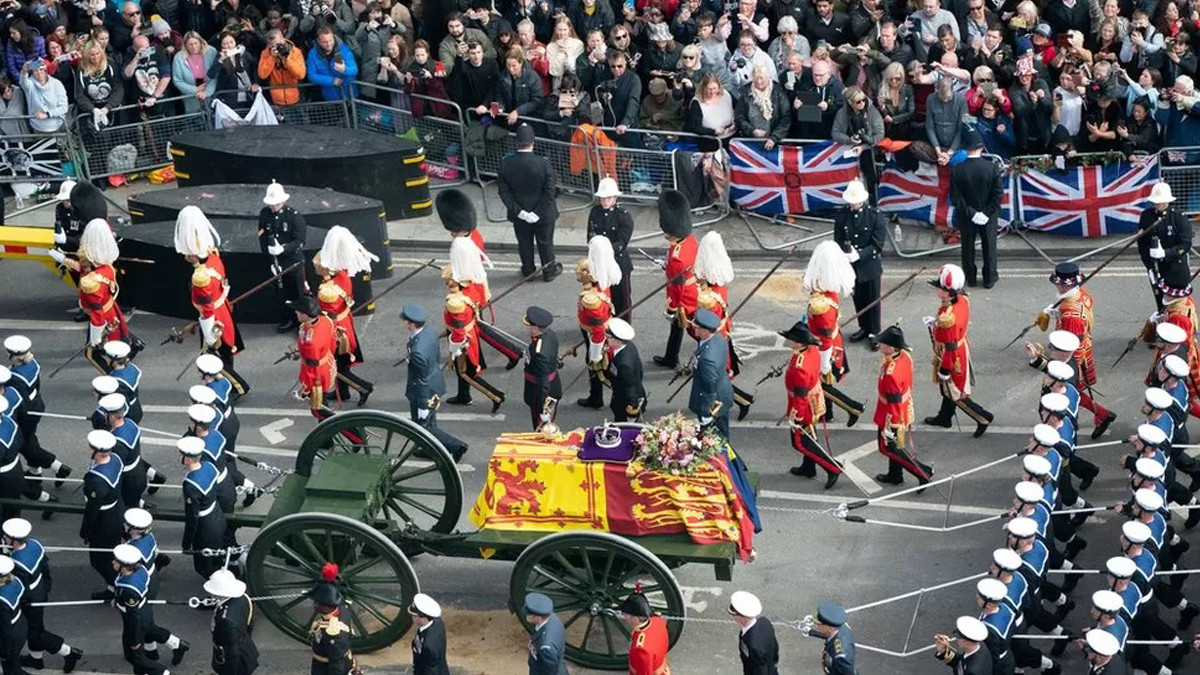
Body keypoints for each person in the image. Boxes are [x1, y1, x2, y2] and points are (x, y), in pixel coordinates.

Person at [175, 206, 249, 396]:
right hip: (222, 309)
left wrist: (208, 333)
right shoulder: (213, 257)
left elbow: (207, 308)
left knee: (213, 355)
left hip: (214, 317)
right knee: (224, 353)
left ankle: (237, 387)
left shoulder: (200, 276)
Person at [49, 218, 138, 373]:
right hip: (110, 311)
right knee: (116, 340)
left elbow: (97, 313)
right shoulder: (106, 267)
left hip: (102, 318)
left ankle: (113, 377)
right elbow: (83, 269)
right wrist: (64, 260)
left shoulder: (91, 283)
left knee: (94, 353)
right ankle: (131, 345)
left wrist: (96, 335)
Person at [1, 518, 82, 672]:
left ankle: (69, 652)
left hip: (29, 599)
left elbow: (16, 586)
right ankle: (36, 659)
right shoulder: (34, 544)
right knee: (35, 631)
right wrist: (46, 587)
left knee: (36, 633)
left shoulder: (17, 563)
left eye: (6, 537)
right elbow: (45, 568)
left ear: (12, 541)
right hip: (40, 591)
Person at [923, 264, 994, 437]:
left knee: (954, 392)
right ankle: (944, 417)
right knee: (946, 390)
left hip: (952, 357)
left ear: (947, 293)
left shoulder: (948, 316)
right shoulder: (960, 300)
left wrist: (945, 369)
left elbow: (950, 346)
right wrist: (936, 323)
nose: (937, 291)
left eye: (939, 288)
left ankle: (982, 417)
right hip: (960, 348)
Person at [314, 227, 378, 407]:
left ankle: (364, 388)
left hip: (337, 329)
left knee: (338, 366)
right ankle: (343, 391)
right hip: (344, 323)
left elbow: (329, 314)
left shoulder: (328, 288)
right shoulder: (340, 274)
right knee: (339, 364)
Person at [442, 240, 506, 413]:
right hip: (469, 333)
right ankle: (464, 396)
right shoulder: (469, 290)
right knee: (462, 371)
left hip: (462, 341)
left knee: (466, 373)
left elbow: (458, 328)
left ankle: (496, 395)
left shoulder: (455, 302)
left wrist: (452, 349)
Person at [804, 241, 864, 427]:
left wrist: (823, 364)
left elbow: (826, 338)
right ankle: (827, 412)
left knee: (820, 383)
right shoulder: (829, 292)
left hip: (824, 347)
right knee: (823, 385)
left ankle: (852, 407)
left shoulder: (820, 306)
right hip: (828, 342)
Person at [402, 303, 468, 461]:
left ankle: (456, 446)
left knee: (421, 425)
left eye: (405, 321)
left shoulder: (417, 350)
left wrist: (423, 404)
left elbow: (421, 379)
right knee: (430, 422)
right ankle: (430, 448)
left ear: (411, 324)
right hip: (435, 381)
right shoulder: (429, 334)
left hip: (422, 390)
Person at [3, 336, 72, 487]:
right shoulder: (32, 363)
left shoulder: (15, 379)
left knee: (24, 444)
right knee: (30, 440)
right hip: (37, 405)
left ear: (13, 355)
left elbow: (19, 402)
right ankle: (36, 472)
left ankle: (58, 467)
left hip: (26, 413)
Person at [498, 124, 561, 281]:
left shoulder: (506, 164)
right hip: (543, 214)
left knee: (524, 243)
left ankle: (528, 271)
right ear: (533, 143)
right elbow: (549, 192)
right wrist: (537, 212)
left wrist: (520, 212)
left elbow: (504, 193)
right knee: (545, 243)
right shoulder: (544, 163)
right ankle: (549, 271)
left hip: (519, 214)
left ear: (516, 143)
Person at [112, 544, 188, 674]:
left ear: (124, 567)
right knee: (150, 629)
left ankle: (163, 672)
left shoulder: (129, 589)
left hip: (136, 617)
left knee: (134, 656)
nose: (113, 562)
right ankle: (177, 645)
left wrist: (135, 641)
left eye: (116, 561)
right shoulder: (140, 569)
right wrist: (118, 599)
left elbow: (133, 617)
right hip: (144, 609)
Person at [872, 325, 932, 486]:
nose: (879, 346)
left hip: (892, 414)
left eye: (882, 344)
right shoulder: (904, 356)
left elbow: (894, 401)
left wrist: (890, 425)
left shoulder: (892, 374)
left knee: (889, 448)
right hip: (903, 407)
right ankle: (895, 475)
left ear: (891, 348)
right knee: (895, 447)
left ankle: (922, 472)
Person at [781, 321, 839, 487]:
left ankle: (831, 468)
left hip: (803, 406)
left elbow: (800, 395)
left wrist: (796, 415)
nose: (789, 341)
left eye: (791, 339)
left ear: (799, 343)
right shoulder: (811, 350)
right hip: (813, 399)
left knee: (801, 442)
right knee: (810, 436)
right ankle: (808, 468)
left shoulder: (800, 367)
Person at [834, 180, 886, 346]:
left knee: (872, 300)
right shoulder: (842, 216)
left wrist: (860, 255)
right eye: (851, 201)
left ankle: (874, 332)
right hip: (852, 266)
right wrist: (845, 254)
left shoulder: (875, 216)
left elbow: (877, 245)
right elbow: (839, 239)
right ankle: (863, 327)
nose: (853, 204)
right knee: (859, 299)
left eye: (855, 201)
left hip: (869, 265)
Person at [950, 128, 1004, 288]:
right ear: (981, 147)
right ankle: (989, 278)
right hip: (989, 214)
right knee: (989, 247)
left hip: (967, 215)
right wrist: (986, 213)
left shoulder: (957, 169)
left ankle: (970, 278)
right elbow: (998, 194)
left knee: (967, 247)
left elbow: (956, 198)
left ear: (965, 148)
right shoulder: (992, 168)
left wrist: (972, 213)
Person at [573, 237, 619, 410]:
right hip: (595, 329)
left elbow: (598, 328)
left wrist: (595, 352)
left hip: (595, 335)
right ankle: (596, 395)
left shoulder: (591, 298)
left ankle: (603, 397)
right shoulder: (602, 277)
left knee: (599, 366)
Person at [653, 189, 698, 369]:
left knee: (695, 331)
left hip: (684, 298)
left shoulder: (677, 256)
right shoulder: (689, 241)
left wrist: (672, 307)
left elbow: (677, 286)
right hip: (692, 289)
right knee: (677, 329)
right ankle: (671, 357)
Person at [257, 181, 308, 333]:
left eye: (276, 203)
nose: (272, 207)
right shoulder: (265, 214)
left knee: (298, 293)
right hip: (276, 263)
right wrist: (270, 256)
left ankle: (303, 323)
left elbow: (299, 241)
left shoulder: (294, 217)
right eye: (271, 204)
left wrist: (283, 250)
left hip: (293, 262)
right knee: (283, 294)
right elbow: (262, 237)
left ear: (283, 201)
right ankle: (288, 319)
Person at [178, 436, 230, 580]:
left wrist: (186, 543)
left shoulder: (190, 485)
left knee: (204, 567)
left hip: (205, 528)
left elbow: (192, 518)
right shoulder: (209, 467)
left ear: (188, 459)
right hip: (217, 517)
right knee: (217, 559)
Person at [82, 430, 124, 597]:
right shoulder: (115, 459)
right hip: (116, 509)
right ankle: (113, 587)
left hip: (104, 521)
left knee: (99, 560)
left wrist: (85, 531)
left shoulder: (96, 481)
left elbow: (92, 510)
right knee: (109, 555)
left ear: (97, 452)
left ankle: (119, 586)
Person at [1138, 182, 1191, 310]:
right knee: (1160, 303)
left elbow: (1186, 244)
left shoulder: (1178, 217)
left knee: (1177, 306)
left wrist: (1166, 253)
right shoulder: (1146, 216)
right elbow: (1142, 244)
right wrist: (1149, 266)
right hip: (1156, 268)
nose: (1158, 204)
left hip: (1175, 268)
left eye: (1161, 202)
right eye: (1156, 202)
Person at [586, 178, 634, 319]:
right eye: (603, 198)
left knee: (622, 301)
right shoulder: (595, 212)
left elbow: (622, 242)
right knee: (600, 298)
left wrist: (605, 250)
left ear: (615, 198)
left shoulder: (623, 216)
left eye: (609, 198)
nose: (605, 201)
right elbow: (590, 236)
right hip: (599, 264)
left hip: (618, 263)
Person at [689, 309, 734, 440]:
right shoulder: (718, 339)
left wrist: (705, 413)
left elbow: (709, 387)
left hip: (714, 402)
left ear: (706, 330)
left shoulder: (708, 358)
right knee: (722, 435)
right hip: (723, 393)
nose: (694, 330)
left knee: (714, 440)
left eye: (697, 328)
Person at [291, 296, 338, 420]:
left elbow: (311, 369)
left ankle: (354, 434)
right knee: (322, 409)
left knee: (320, 411)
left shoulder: (311, 342)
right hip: (326, 365)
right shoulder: (325, 321)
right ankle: (326, 439)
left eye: (298, 311)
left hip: (317, 376)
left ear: (305, 315)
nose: (295, 313)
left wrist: (305, 388)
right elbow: (332, 344)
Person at [100, 393, 147, 511]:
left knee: (125, 510)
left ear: (111, 416)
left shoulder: (116, 442)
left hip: (128, 480)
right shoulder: (131, 424)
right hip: (139, 473)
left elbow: (116, 468)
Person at [205, 568, 257, 675]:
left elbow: (233, 653)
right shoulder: (244, 598)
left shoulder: (226, 621)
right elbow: (249, 624)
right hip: (246, 647)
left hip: (234, 661)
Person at [309, 563, 356, 675]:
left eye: (317, 603)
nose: (315, 605)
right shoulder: (342, 610)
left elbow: (336, 663)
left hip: (325, 668)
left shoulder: (332, 632)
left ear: (323, 607)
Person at [523, 306, 561, 431]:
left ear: (535, 329)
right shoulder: (549, 334)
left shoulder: (539, 352)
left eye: (528, 326)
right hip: (553, 383)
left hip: (540, 395)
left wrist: (542, 409)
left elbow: (542, 384)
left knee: (542, 430)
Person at [603, 318, 645, 422]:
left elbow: (629, 388)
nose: (606, 340)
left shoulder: (624, 365)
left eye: (608, 338)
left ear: (617, 341)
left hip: (625, 403)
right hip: (633, 391)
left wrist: (631, 415)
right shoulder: (629, 346)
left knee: (623, 429)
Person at [618, 590, 669, 675]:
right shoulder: (657, 621)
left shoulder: (641, 650)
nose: (624, 617)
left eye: (625, 614)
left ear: (634, 618)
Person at [728, 591, 778, 675]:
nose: (732, 616)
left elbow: (759, 670)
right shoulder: (765, 622)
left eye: (734, 615)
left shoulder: (753, 645)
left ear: (744, 618)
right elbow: (775, 648)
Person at [806, 602, 856, 674]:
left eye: (819, 624)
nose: (817, 626)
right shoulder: (840, 627)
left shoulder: (841, 657)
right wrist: (811, 632)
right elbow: (830, 636)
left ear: (830, 628)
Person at [523, 592, 567, 675]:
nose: (526, 616)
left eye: (529, 615)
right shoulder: (553, 618)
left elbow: (548, 671)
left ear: (538, 618)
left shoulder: (546, 646)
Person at [407, 592, 449, 675]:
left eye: (415, 616)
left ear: (422, 618)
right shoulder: (437, 623)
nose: (412, 617)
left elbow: (431, 670)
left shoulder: (428, 646)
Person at [103, 339, 144, 423]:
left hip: (128, 416)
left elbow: (123, 405)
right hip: (136, 407)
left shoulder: (118, 382)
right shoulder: (131, 368)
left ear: (114, 360)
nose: (105, 358)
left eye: (107, 357)